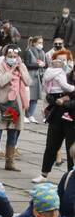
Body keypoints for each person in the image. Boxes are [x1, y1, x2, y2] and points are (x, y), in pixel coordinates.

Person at [34, 49, 75, 183]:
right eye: (60, 60)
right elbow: (49, 95)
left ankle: (71, 177)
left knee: (71, 149)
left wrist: (65, 102)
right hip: (57, 115)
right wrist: (57, 100)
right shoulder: (62, 76)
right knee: (51, 145)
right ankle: (44, 173)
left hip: (72, 119)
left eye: (65, 60)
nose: (63, 62)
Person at [0, 45, 29, 171]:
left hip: (17, 105)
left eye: (15, 57)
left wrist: (20, 70)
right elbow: (0, 81)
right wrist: (11, 71)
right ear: (5, 56)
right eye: (10, 56)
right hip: (3, 103)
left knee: (14, 132)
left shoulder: (22, 66)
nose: (12, 59)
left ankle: (10, 162)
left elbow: (28, 81)